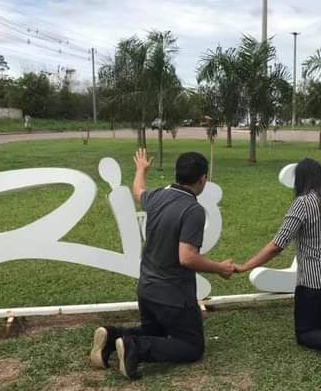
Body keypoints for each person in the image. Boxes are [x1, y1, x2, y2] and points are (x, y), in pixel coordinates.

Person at [90, 149, 235, 379]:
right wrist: (220, 268)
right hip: (174, 297)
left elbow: (138, 192)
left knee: (154, 331)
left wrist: (141, 169)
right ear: (203, 179)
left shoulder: (158, 196)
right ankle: (135, 349)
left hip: (147, 290)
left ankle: (112, 336)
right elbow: (186, 257)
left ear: (177, 174)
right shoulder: (193, 210)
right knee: (192, 346)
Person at [235, 158, 321, 371]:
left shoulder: (303, 203)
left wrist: (246, 266)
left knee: (305, 333)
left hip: (315, 284)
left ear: (300, 180)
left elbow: (277, 245)